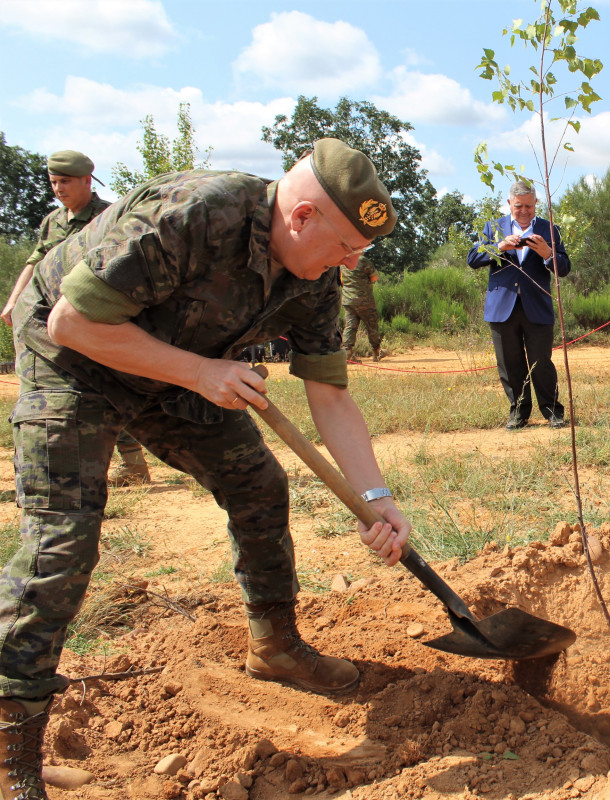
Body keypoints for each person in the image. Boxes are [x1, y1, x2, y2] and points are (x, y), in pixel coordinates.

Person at [2, 138, 412, 797]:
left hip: (178, 369)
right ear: (302, 216)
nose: (349, 263)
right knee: (62, 543)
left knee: (258, 484)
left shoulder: (314, 276)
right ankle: (11, 756)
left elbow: (330, 392)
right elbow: (72, 322)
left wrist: (376, 494)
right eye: (342, 247)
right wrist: (200, 373)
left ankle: (274, 647)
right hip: (73, 360)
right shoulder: (195, 213)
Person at [1, 150, 153, 487]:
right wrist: (14, 301)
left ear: (87, 180)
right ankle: (58, 472)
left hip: (97, 318)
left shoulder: (110, 216)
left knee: (110, 387)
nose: (58, 188)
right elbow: (35, 261)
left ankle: (133, 465)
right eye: (53, 182)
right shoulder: (52, 222)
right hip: (51, 321)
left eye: (65, 181)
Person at [467, 180, 570, 430]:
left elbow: (564, 268)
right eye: (519, 206)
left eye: (529, 206)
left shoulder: (549, 229)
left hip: (537, 307)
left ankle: (553, 412)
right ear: (509, 204)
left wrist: (547, 253)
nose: (524, 210)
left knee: (541, 362)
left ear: (536, 204)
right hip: (502, 308)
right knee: (509, 364)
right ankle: (518, 413)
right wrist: (498, 246)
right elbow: (472, 259)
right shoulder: (493, 228)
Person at [340, 255, 382, 361]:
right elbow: (374, 277)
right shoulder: (362, 259)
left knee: (350, 326)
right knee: (372, 325)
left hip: (348, 299)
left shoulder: (342, 261)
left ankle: (347, 352)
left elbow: (342, 280)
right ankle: (377, 351)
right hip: (364, 299)